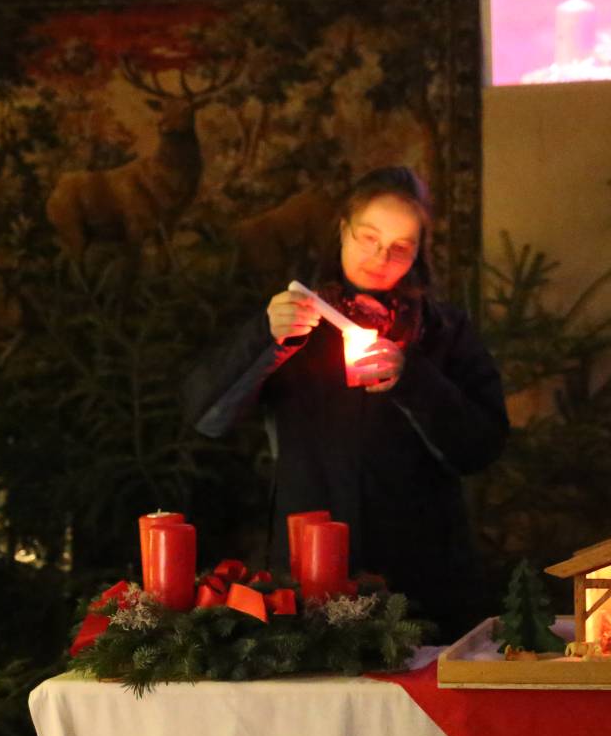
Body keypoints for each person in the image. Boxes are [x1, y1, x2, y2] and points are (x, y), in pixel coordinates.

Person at [183, 166, 507, 640]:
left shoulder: (444, 331)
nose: (381, 257)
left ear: (419, 253)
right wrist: (265, 339)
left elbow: (481, 444)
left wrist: (412, 377)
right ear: (342, 230)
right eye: (368, 237)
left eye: (401, 247)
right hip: (308, 577)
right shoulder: (294, 320)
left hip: (421, 579)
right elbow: (205, 414)